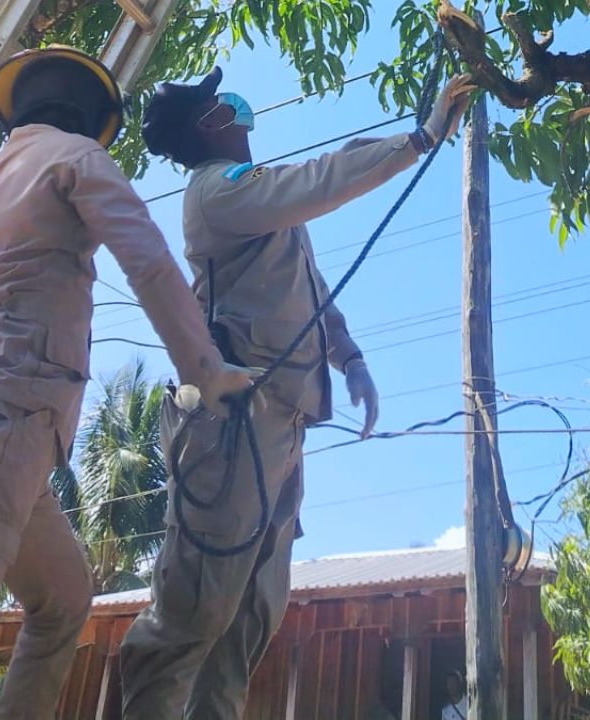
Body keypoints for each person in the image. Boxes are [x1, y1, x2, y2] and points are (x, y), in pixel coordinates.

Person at [0, 46, 253, 719]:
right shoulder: (78, 159)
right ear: (92, 121)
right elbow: (148, 264)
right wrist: (207, 374)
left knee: (63, 600)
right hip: (4, 420)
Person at [117, 66, 475, 718]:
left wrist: (350, 357)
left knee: (248, 617)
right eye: (222, 104)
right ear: (208, 125)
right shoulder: (219, 192)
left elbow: (308, 288)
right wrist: (419, 140)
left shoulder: (258, 200)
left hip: (278, 425)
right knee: (195, 610)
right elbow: (322, 177)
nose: (235, 108)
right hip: (232, 424)